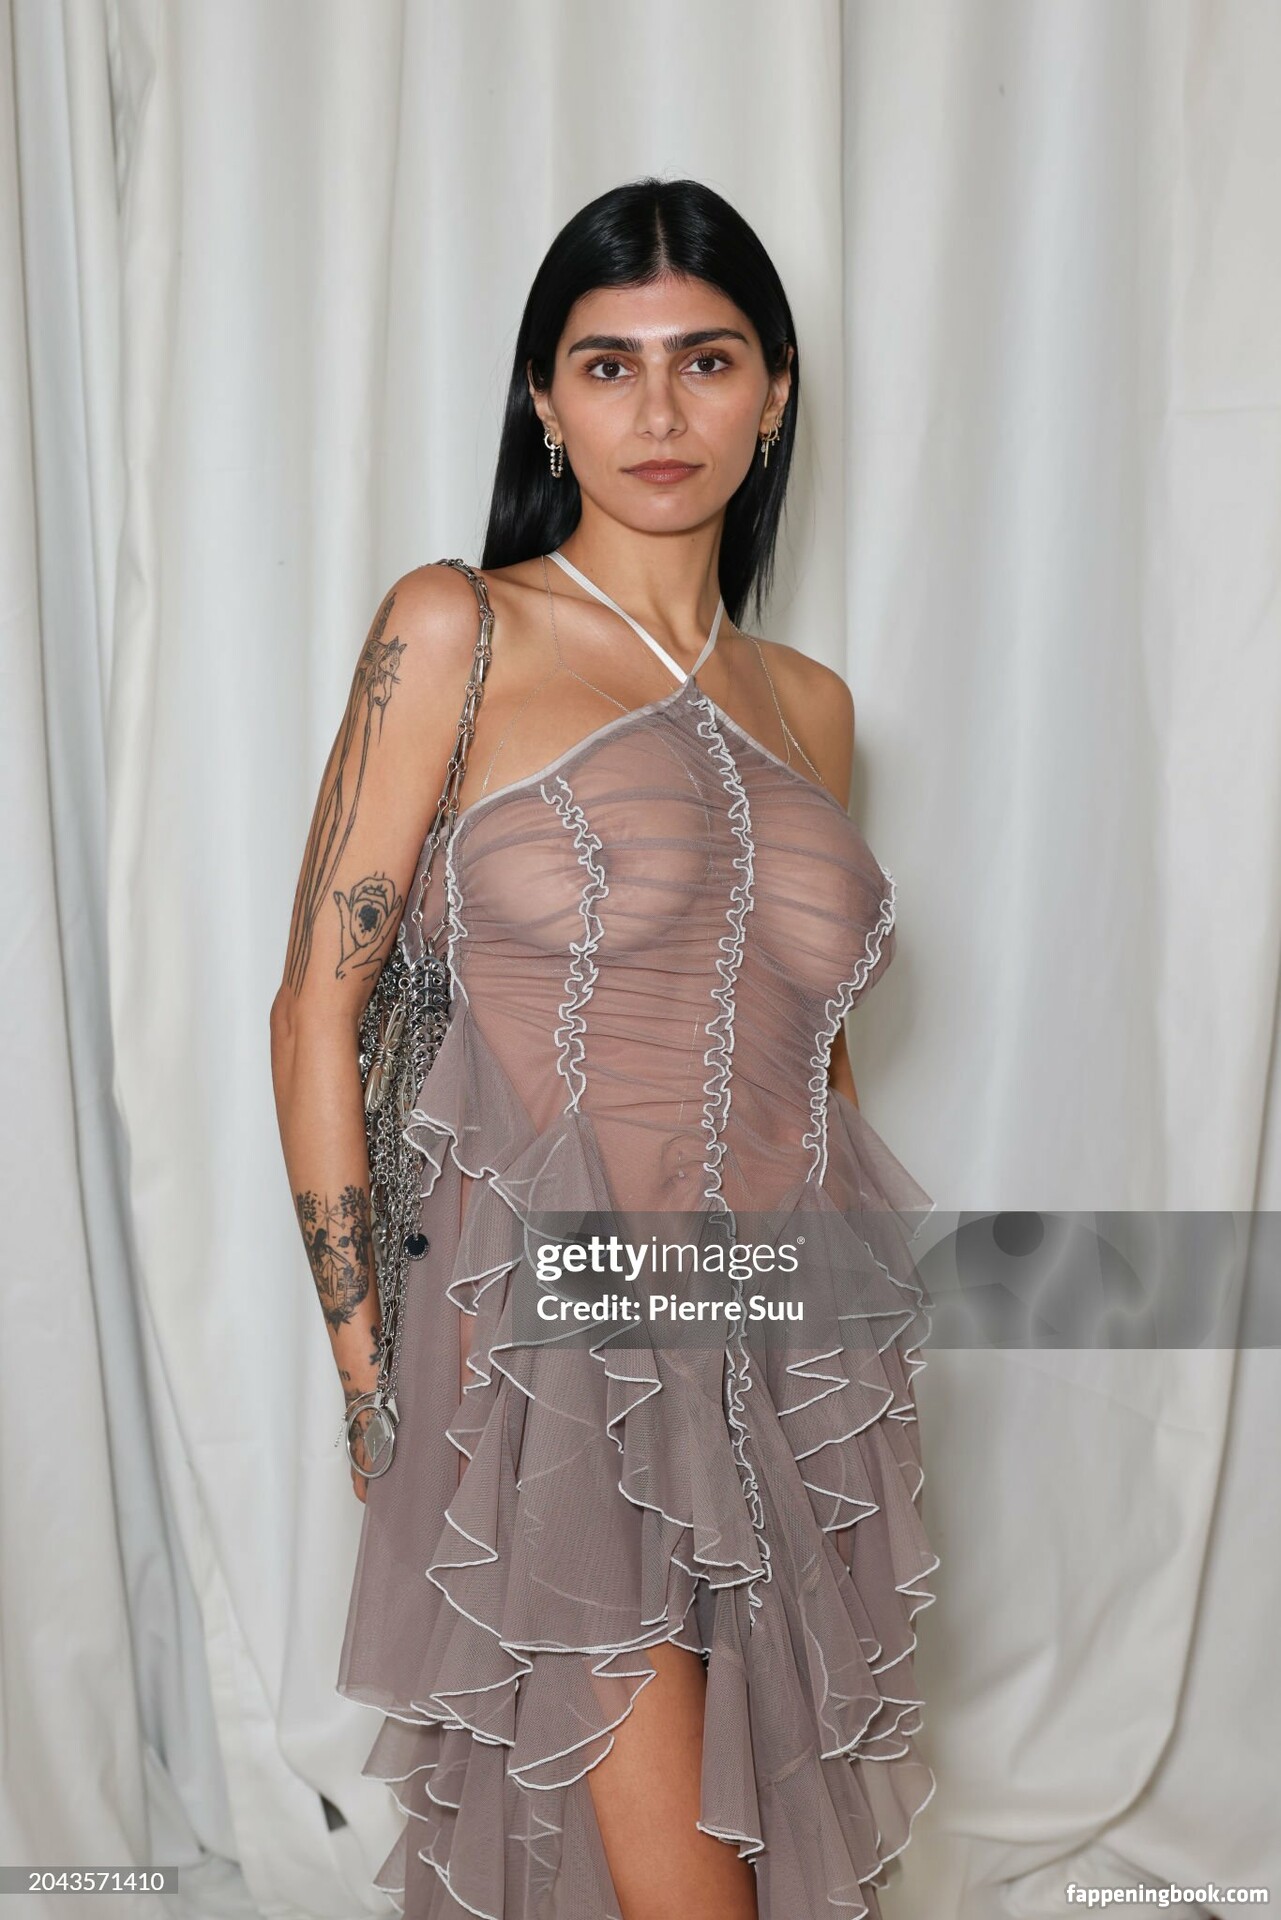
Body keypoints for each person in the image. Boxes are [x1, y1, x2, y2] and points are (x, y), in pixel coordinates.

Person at [270, 176, 936, 1920]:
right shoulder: (457, 627)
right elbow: (315, 1006)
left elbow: (814, 1056)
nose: (657, 410)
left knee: (782, 1879)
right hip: (545, 1360)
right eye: (607, 363)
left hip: (780, 1357)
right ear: (545, 401)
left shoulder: (811, 708)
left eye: (704, 361)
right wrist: (373, 1373)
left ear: (772, 394)